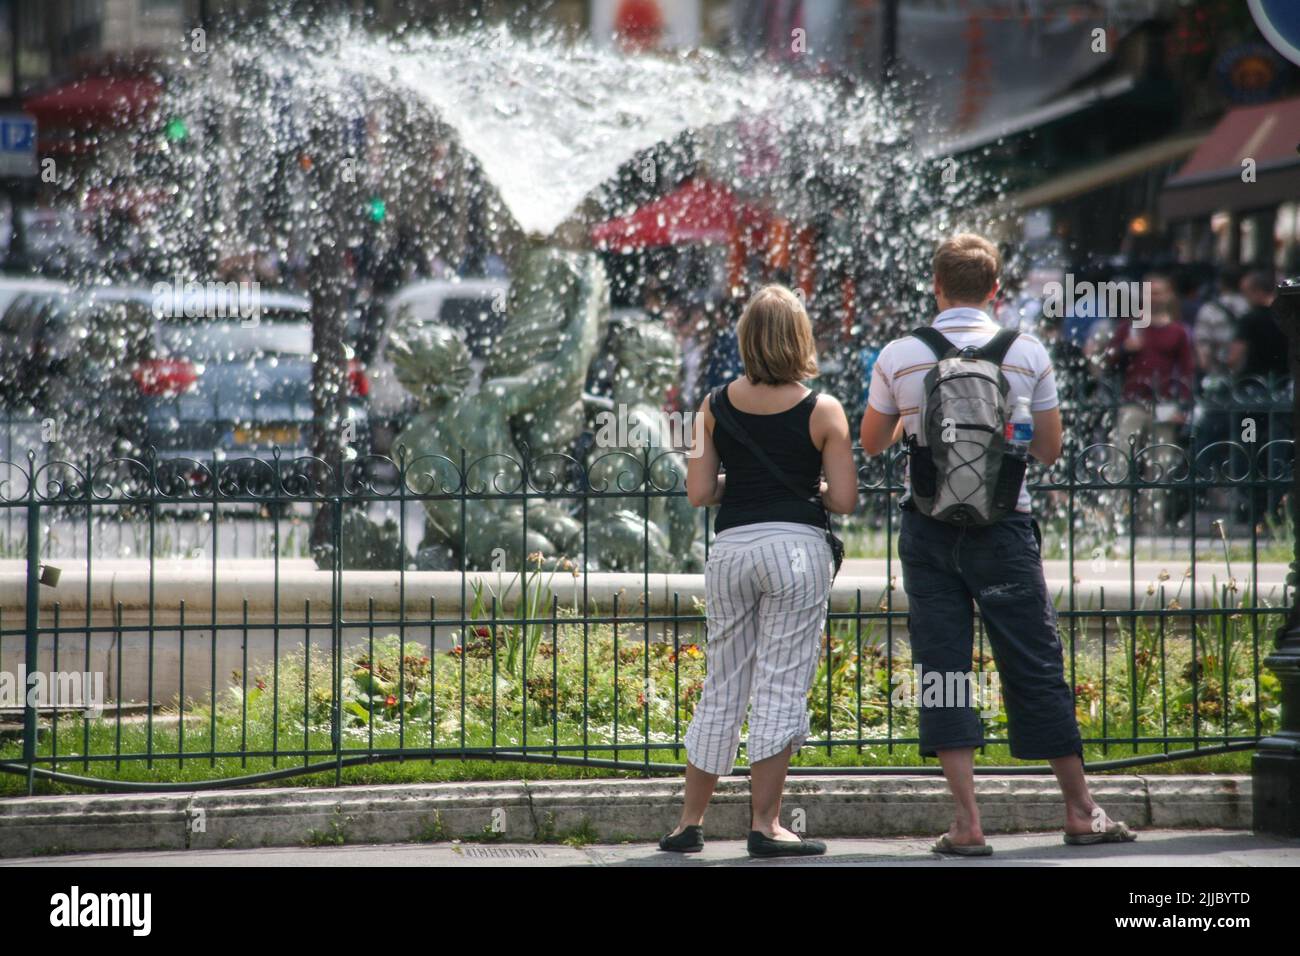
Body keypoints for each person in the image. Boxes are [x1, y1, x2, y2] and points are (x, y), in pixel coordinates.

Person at [859, 233, 1136, 855]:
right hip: (1006, 528)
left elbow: (872, 442)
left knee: (943, 669)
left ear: (935, 286)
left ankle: (967, 823)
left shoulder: (902, 354)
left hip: (928, 529)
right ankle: (1080, 809)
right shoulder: (1026, 351)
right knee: (1035, 662)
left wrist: (919, 417)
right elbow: (1048, 448)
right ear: (995, 291)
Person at [660, 285, 857, 857]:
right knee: (779, 683)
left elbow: (699, 492)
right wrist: (808, 483)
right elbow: (842, 499)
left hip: (732, 551)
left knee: (723, 683)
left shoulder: (713, 405)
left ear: (747, 339)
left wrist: (740, 483)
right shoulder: (823, 409)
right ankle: (766, 825)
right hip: (794, 552)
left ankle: (688, 824)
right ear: (801, 339)